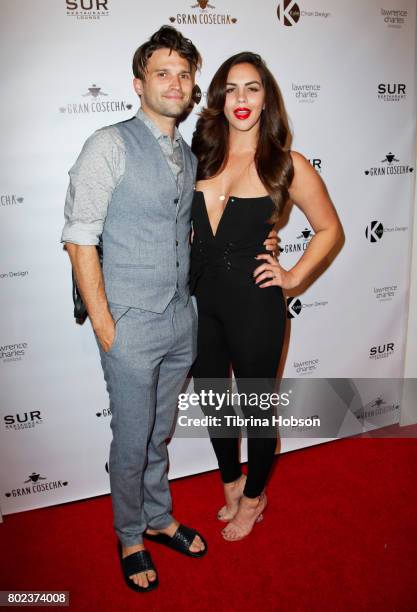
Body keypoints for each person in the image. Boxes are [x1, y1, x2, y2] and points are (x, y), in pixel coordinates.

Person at [61, 26, 210, 594]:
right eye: (162, 72)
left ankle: (157, 514)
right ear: (138, 83)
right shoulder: (110, 143)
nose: (175, 82)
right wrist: (104, 323)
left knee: (158, 432)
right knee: (131, 435)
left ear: (193, 85)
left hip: (179, 320)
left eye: (183, 73)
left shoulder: (189, 154)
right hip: (128, 322)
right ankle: (129, 534)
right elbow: (79, 237)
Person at [190, 52, 344, 542]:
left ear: (266, 98)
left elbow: (329, 229)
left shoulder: (285, 163)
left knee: (256, 408)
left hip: (255, 306)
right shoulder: (200, 155)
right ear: (219, 97)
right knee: (213, 402)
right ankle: (232, 482)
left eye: (252, 88)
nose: (241, 99)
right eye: (231, 88)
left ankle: (255, 498)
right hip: (201, 301)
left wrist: (293, 277)